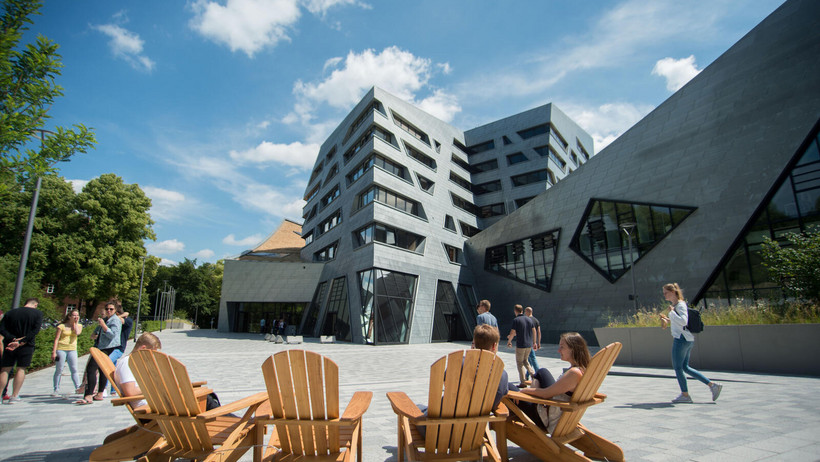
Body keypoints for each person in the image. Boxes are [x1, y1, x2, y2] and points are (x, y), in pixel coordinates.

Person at [115, 332, 221, 410]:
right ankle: (232, 425)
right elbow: (130, 392)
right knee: (204, 400)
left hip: (157, 403)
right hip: (151, 408)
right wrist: (155, 386)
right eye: (152, 353)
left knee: (204, 396)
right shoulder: (128, 363)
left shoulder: (133, 362)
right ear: (143, 348)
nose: (152, 357)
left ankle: (230, 423)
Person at [659, 283, 723, 403]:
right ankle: (712, 385)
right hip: (685, 339)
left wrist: (672, 313)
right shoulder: (677, 305)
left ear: (672, 292)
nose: (664, 295)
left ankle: (685, 395)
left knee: (678, 368)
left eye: (665, 292)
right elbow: (679, 323)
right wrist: (668, 319)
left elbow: (683, 321)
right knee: (685, 367)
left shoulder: (680, 305)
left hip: (681, 340)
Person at [518, 332, 591, 432]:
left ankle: (532, 405)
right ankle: (533, 402)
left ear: (573, 349)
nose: (558, 350)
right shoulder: (582, 369)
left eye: (562, 347)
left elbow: (545, 394)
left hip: (547, 417)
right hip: (556, 407)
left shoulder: (574, 373)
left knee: (509, 389)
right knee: (541, 372)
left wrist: (524, 391)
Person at [77, 301, 121, 404]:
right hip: (101, 346)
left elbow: (112, 335)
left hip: (107, 347)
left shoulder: (115, 320)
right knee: (102, 369)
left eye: (111, 309)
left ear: (115, 310)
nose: (109, 311)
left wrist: (104, 326)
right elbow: (96, 332)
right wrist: (94, 334)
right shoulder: (106, 319)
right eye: (107, 309)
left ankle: (88, 394)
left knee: (91, 369)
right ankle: (100, 393)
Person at [0, 298, 43, 404]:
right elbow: (35, 330)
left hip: (9, 344)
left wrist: (12, 339)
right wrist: (21, 341)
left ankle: (0, 395)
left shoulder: (11, 313)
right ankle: (14, 395)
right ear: (35, 305)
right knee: (21, 369)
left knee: (5, 369)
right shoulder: (37, 314)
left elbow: (1, 329)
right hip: (26, 345)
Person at [51, 309, 83, 397]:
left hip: (72, 349)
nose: (76, 317)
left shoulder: (79, 325)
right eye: (74, 315)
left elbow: (77, 333)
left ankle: (77, 387)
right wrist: (54, 352)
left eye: (77, 315)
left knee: (74, 369)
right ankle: (56, 389)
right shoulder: (61, 326)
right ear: (69, 316)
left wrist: (75, 324)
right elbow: (56, 339)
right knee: (59, 369)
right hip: (61, 349)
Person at [506, 304, 536, 385]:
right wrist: (534, 342)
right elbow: (534, 331)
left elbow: (512, 332)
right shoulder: (529, 319)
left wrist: (509, 341)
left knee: (520, 363)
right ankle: (533, 375)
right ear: (522, 311)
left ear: (515, 311)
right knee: (525, 361)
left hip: (521, 344)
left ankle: (523, 382)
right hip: (529, 344)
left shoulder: (516, 320)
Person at [524, 306, 541, 381]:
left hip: (528, 342)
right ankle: (526, 375)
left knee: (532, 359)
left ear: (527, 312)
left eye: (525, 312)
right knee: (530, 359)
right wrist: (538, 342)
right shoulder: (536, 320)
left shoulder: (527, 320)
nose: (524, 313)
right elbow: (539, 332)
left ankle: (539, 374)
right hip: (533, 342)